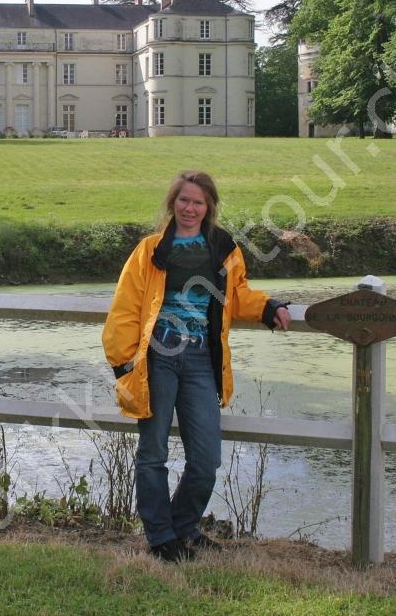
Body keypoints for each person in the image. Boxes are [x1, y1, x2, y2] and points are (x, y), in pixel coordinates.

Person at [101, 171, 291, 562]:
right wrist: (123, 363)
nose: (190, 208)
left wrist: (269, 307)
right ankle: (161, 538)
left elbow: (237, 295)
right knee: (153, 451)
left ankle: (182, 527)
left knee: (206, 460)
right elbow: (125, 307)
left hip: (202, 359)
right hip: (157, 358)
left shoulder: (223, 248)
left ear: (209, 207)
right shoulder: (150, 250)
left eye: (198, 202)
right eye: (184, 200)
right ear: (173, 203)